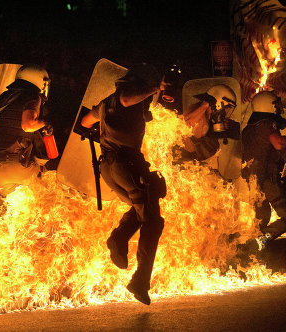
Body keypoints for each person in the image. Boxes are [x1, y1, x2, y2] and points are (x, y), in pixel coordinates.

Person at [80, 63, 167, 305]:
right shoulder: (126, 97)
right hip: (125, 166)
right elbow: (127, 100)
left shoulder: (106, 103)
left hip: (109, 169)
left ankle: (118, 239)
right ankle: (140, 280)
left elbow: (86, 122)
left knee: (140, 210)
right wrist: (153, 88)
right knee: (152, 220)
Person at [240, 91, 286, 249]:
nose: (279, 107)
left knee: (261, 219)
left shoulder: (250, 128)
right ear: (267, 105)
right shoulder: (267, 124)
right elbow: (279, 144)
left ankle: (252, 252)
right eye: (276, 104)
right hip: (267, 181)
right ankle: (259, 242)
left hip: (253, 182)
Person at [0, 65, 52, 205]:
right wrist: (45, 123)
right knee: (36, 209)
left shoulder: (3, 98)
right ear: (39, 81)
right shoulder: (33, 96)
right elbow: (28, 125)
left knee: (5, 215)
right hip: (20, 166)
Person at [180, 84, 239, 162]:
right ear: (217, 103)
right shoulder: (198, 117)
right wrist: (204, 106)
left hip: (196, 162)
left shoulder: (208, 117)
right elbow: (185, 124)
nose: (224, 112)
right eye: (226, 108)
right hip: (188, 163)